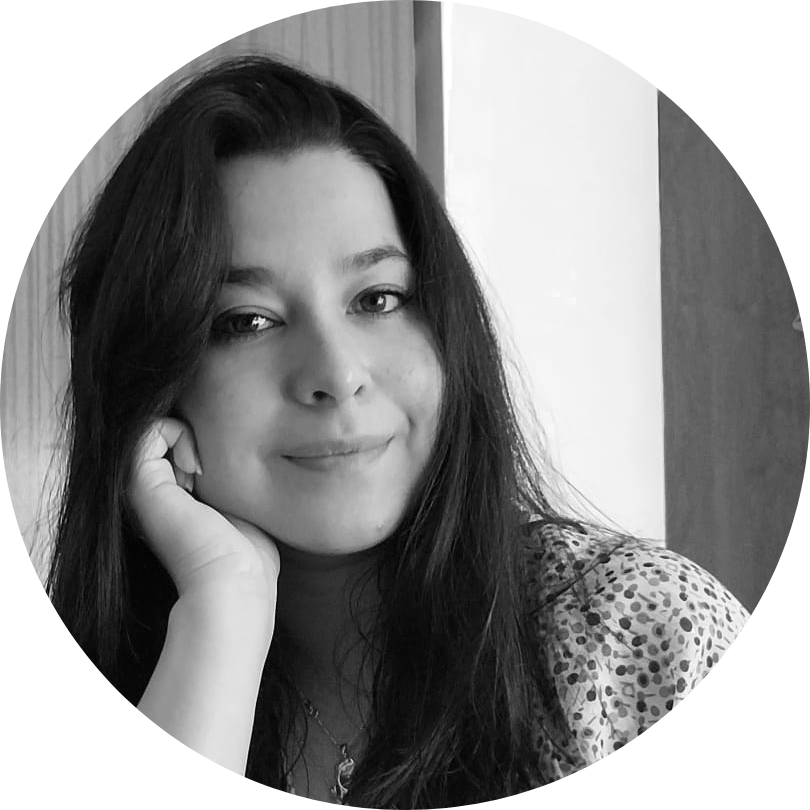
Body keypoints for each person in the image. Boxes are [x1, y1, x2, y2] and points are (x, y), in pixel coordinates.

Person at [46, 54, 750, 807]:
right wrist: (222, 611)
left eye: (377, 299)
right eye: (245, 321)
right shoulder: (137, 664)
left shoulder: (643, 631)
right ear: (151, 382)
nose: (337, 372)